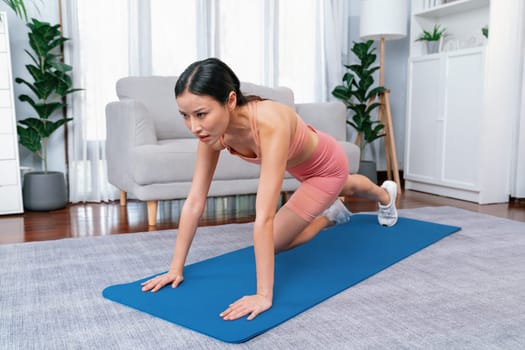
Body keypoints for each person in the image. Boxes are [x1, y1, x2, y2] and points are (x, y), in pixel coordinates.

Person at [140, 57, 398, 321]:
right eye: (185, 116)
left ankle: (365, 203)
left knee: (276, 239)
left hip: (327, 167)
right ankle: (364, 199)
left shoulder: (269, 122)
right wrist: (175, 268)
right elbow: (195, 200)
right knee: (348, 183)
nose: (194, 126)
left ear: (229, 101)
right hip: (301, 166)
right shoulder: (212, 135)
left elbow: (264, 214)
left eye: (201, 114)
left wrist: (263, 294)